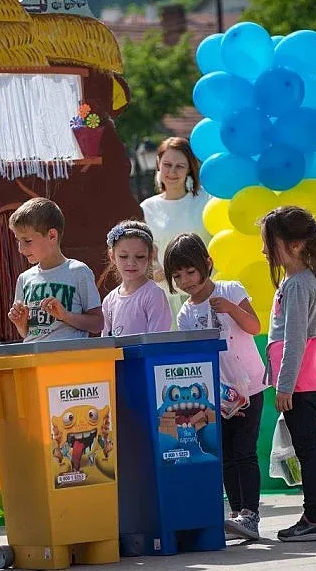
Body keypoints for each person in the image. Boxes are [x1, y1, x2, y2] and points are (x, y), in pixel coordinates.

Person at [163, 232, 266, 541]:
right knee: (223, 452)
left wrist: (232, 309)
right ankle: (236, 515)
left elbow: (255, 326)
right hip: (215, 394)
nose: (185, 281)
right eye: (177, 276)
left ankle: (251, 513)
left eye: (190, 272)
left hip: (249, 386)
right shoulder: (185, 312)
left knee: (244, 450)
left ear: (207, 263)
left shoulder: (230, 289)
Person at [260, 206, 316, 542]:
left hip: (301, 386)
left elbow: (295, 340)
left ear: (293, 245)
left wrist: (284, 386)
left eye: (269, 243)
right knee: (309, 449)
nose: (264, 250)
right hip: (305, 384)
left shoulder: (296, 285)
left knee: (307, 450)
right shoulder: (298, 281)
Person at [7, 197, 103, 341]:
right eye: (18, 240)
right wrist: (20, 324)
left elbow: (98, 323)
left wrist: (65, 316)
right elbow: (27, 333)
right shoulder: (24, 279)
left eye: (27, 241)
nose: (20, 249)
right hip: (35, 359)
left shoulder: (79, 272)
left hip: (69, 360)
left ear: (52, 236)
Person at [140, 137, 211, 322]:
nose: (172, 172)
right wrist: (154, 270)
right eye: (167, 164)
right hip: (165, 300)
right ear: (158, 164)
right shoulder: (146, 208)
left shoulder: (206, 200)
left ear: (189, 169)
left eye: (179, 166)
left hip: (206, 295)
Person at [100, 220, 172, 337]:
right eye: (123, 256)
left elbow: (157, 342)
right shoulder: (109, 301)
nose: (131, 263)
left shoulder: (153, 295)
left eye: (140, 256)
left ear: (150, 256)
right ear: (112, 256)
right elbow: (107, 344)